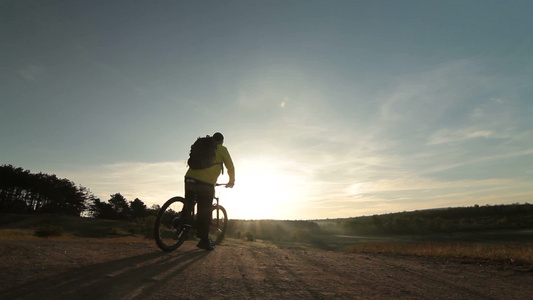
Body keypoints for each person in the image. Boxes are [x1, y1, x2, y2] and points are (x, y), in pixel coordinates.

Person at [184, 132, 235, 250]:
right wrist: (231, 181)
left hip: (189, 177)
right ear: (221, 141)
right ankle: (204, 240)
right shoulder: (222, 149)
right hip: (206, 182)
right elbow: (230, 166)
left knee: (189, 202)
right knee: (205, 210)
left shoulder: (202, 145)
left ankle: (182, 223)